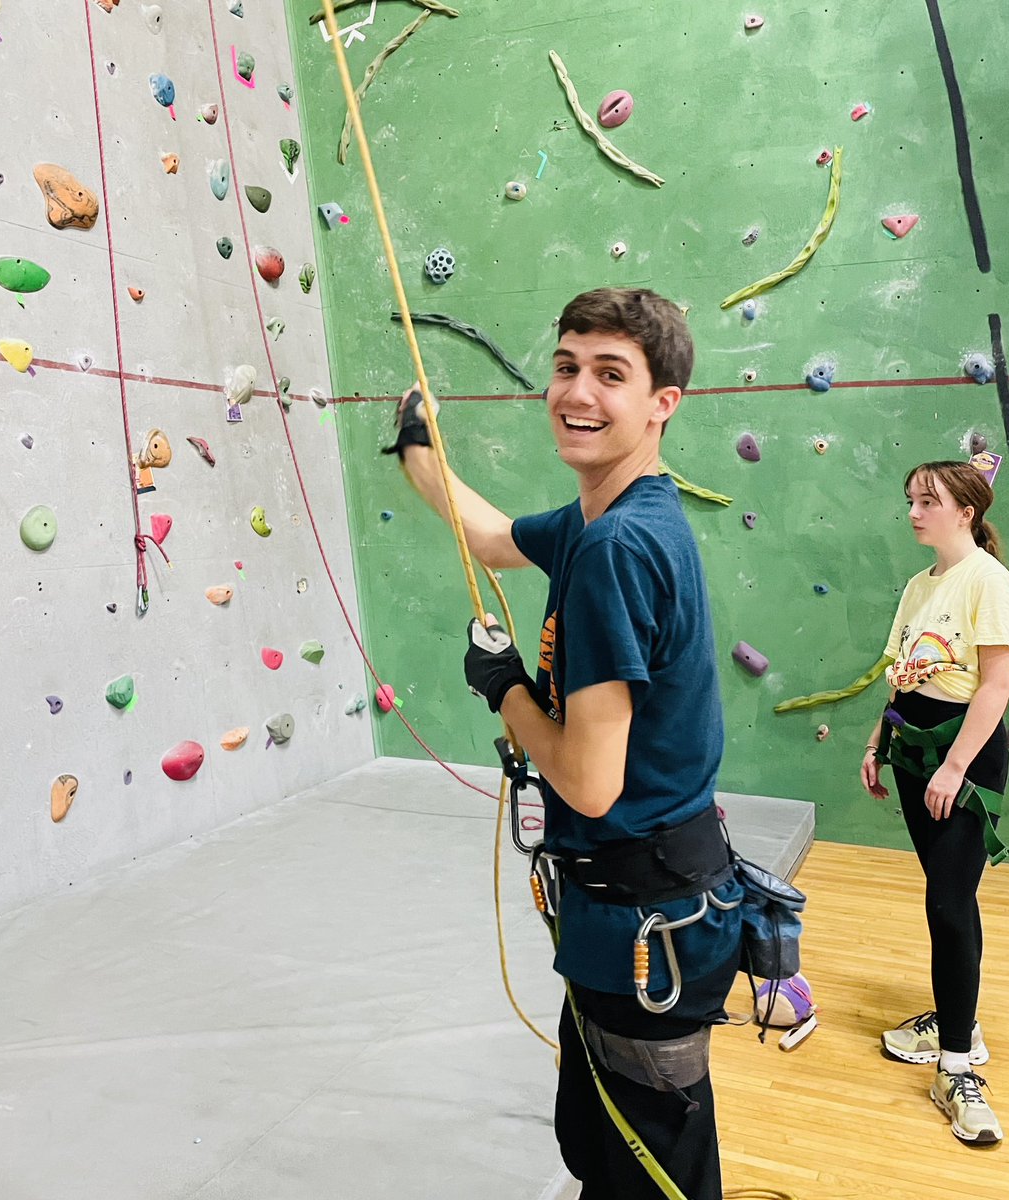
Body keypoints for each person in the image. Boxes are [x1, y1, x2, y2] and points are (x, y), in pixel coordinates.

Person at [385, 288, 744, 1199]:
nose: (577, 392)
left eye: (610, 375)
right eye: (566, 367)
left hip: (646, 919)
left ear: (663, 403)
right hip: (635, 907)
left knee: (647, 1170)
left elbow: (587, 781)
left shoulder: (616, 548)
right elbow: (490, 538)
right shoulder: (600, 520)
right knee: (603, 1150)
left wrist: (504, 687)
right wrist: (418, 449)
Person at [861, 461, 1009, 1146]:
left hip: (963, 762)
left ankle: (956, 1065)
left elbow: (996, 685)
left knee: (948, 902)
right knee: (947, 895)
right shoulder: (918, 584)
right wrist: (877, 742)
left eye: (927, 501)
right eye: (910, 500)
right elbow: (902, 673)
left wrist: (955, 767)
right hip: (912, 754)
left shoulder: (990, 582)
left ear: (965, 511)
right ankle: (961, 1019)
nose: (913, 512)